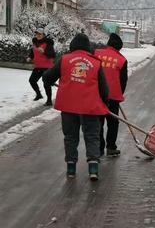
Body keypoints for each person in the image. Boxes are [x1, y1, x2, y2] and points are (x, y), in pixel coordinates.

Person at [43, 33, 109, 181]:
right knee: (92, 137)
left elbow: (47, 77)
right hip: (90, 107)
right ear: (88, 47)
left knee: (70, 137)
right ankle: (93, 169)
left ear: (72, 45)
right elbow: (104, 89)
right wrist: (105, 104)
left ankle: (71, 169)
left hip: (68, 107)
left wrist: (50, 83)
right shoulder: (96, 63)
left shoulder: (65, 60)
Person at [94, 33, 128, 157]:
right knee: (113, 123)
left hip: (96, 93)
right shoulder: (122, 60)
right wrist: (119, 96)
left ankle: (99, 148)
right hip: (112, 96)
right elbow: (123, 81)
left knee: (98, 122)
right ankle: (111, 147)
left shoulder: (96, 53)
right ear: (119, 47)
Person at [28, 28, 56, 105]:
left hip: (47, 67)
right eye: (37, 34)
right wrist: (30, 57)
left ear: (44, 35)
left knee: (46, 83)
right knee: (32, 81)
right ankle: (39, 94)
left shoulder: (48, 43)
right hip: (38, 66)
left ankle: (49, 100)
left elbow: (52, 54)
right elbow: (32, 52)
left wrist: (44, 52)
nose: (38, 35)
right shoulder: (35, 43)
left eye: (40, 34)